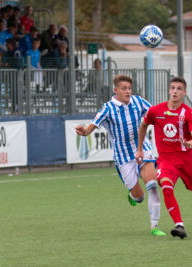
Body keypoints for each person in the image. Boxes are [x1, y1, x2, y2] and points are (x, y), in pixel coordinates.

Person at [75, 75, 166, 237]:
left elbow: (156, 113)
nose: (128, 91)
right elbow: (92, 126)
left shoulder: (138, 101)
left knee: (152, 185)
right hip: (123, 158)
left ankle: (155, 226)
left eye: (130, 88)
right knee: (140, 197)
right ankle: (133, 196)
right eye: (124, 88)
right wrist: (84, 132)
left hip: (142, 149)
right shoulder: (108, 108)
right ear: (115, 90)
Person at [135, 76, 192, 239]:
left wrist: (191, 143)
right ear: (169, 90)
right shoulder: (156, 111)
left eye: (179, 89)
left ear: (184, 92)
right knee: (166, 187)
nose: (175, 91)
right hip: (166, 159)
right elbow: (143, 126)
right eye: (172, 88)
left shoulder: (188, 113)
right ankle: (179, 225)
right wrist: (139, 149)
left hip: (187, 159)